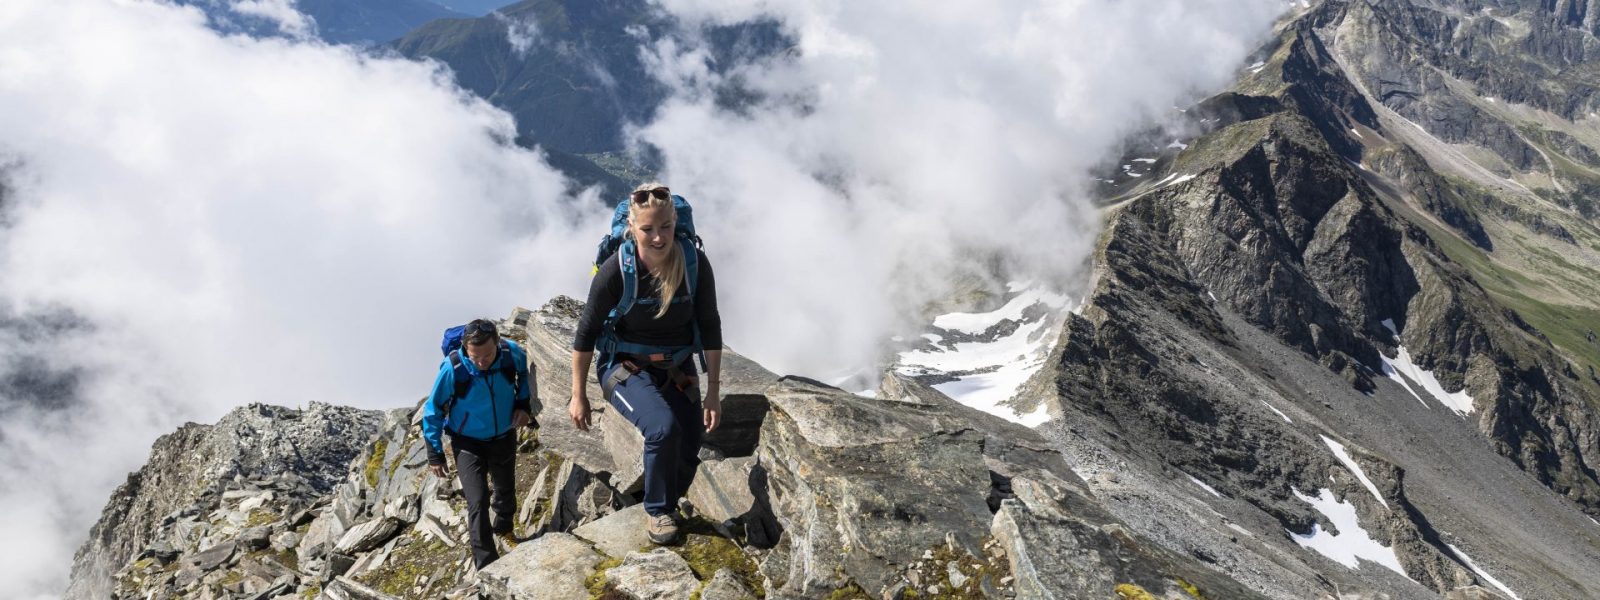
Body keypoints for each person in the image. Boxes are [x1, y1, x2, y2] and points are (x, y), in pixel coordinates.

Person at [569, 182, 723, 545]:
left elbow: (710, 324)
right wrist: (578, 394)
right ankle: (657, 513)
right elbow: (586, 332)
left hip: (678, 366)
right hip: (624, 367)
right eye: (648, 229)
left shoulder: (693, 263)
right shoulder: (617, 269)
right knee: (662, 428)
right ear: (633, 230)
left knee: (689, 443)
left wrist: (713, 392)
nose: (658, 237)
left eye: (665, 226)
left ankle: (666, 500)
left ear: (675, 223)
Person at [421, 318, 535, 569]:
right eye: (475, 357)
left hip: (503, 435)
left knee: (505, 489)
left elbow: (525, 374)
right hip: (467, 443)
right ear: (465, 349)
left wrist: (523, 405)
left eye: (487, 355)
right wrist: (434, 454)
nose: (482, 362)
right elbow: (433, 411)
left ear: (497, 342)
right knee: (478, 500)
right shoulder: (453, 369)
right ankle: (486, 564)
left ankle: (504, 530)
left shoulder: (510, 353)